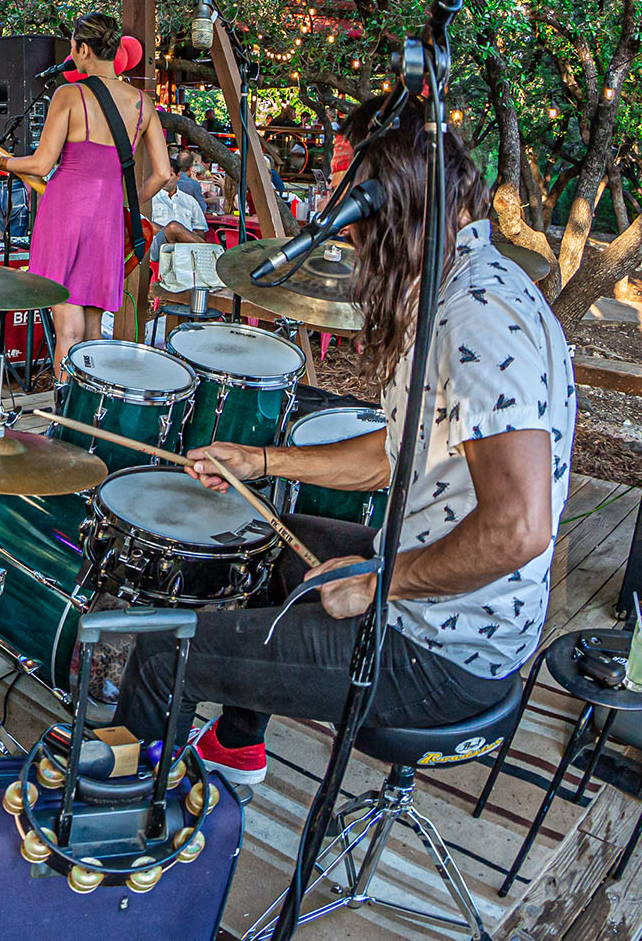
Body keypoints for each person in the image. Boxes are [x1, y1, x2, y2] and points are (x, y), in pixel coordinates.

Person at [117, 101, 574, 789]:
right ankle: (237, 744)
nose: (353, 236)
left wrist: (379, 584)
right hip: (433, 606)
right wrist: (262, 462)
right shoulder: (462, 286)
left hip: (439, 652)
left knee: (159, 650)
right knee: (268, 540)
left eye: (356, 212)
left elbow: (519, 528)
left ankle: (121, 827)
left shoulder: (477, 314)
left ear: (394, 205)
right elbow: (397, 452)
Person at [0, 13, 169, 378]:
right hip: (106, 220)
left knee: (68, 332)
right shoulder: (142, 103)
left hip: (64, 215)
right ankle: (90, 416)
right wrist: (126, 203)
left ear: (82, 48)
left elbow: (41, 162)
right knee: (93, 332)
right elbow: (163, 174)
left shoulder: (69, 94)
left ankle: (63, 420)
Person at [148, 170, 209, 258]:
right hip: (159, 246)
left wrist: (183, 235)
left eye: (170, 175)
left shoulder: (190, 201)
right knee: (173, 227)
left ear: (178, 176)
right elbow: (147, 225)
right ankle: (210, 252)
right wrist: (175, 233)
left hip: (186, 248)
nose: (165, 179)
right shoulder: (152, 199)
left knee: (175, 229)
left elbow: (200, 230)